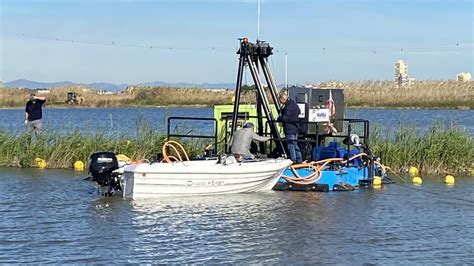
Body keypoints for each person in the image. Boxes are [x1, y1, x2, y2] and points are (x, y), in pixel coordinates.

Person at [277, 89, 302, 163]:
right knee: (294, 143)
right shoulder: (293, 104)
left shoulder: (288, 107)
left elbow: (285, 118)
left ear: (282, 99)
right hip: (295, 127)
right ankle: (299, 159)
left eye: (280, 100)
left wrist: (280, 118)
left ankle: (293, 160)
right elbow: (299, 111)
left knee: (291, 145)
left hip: (289, 128)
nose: (280, 102)